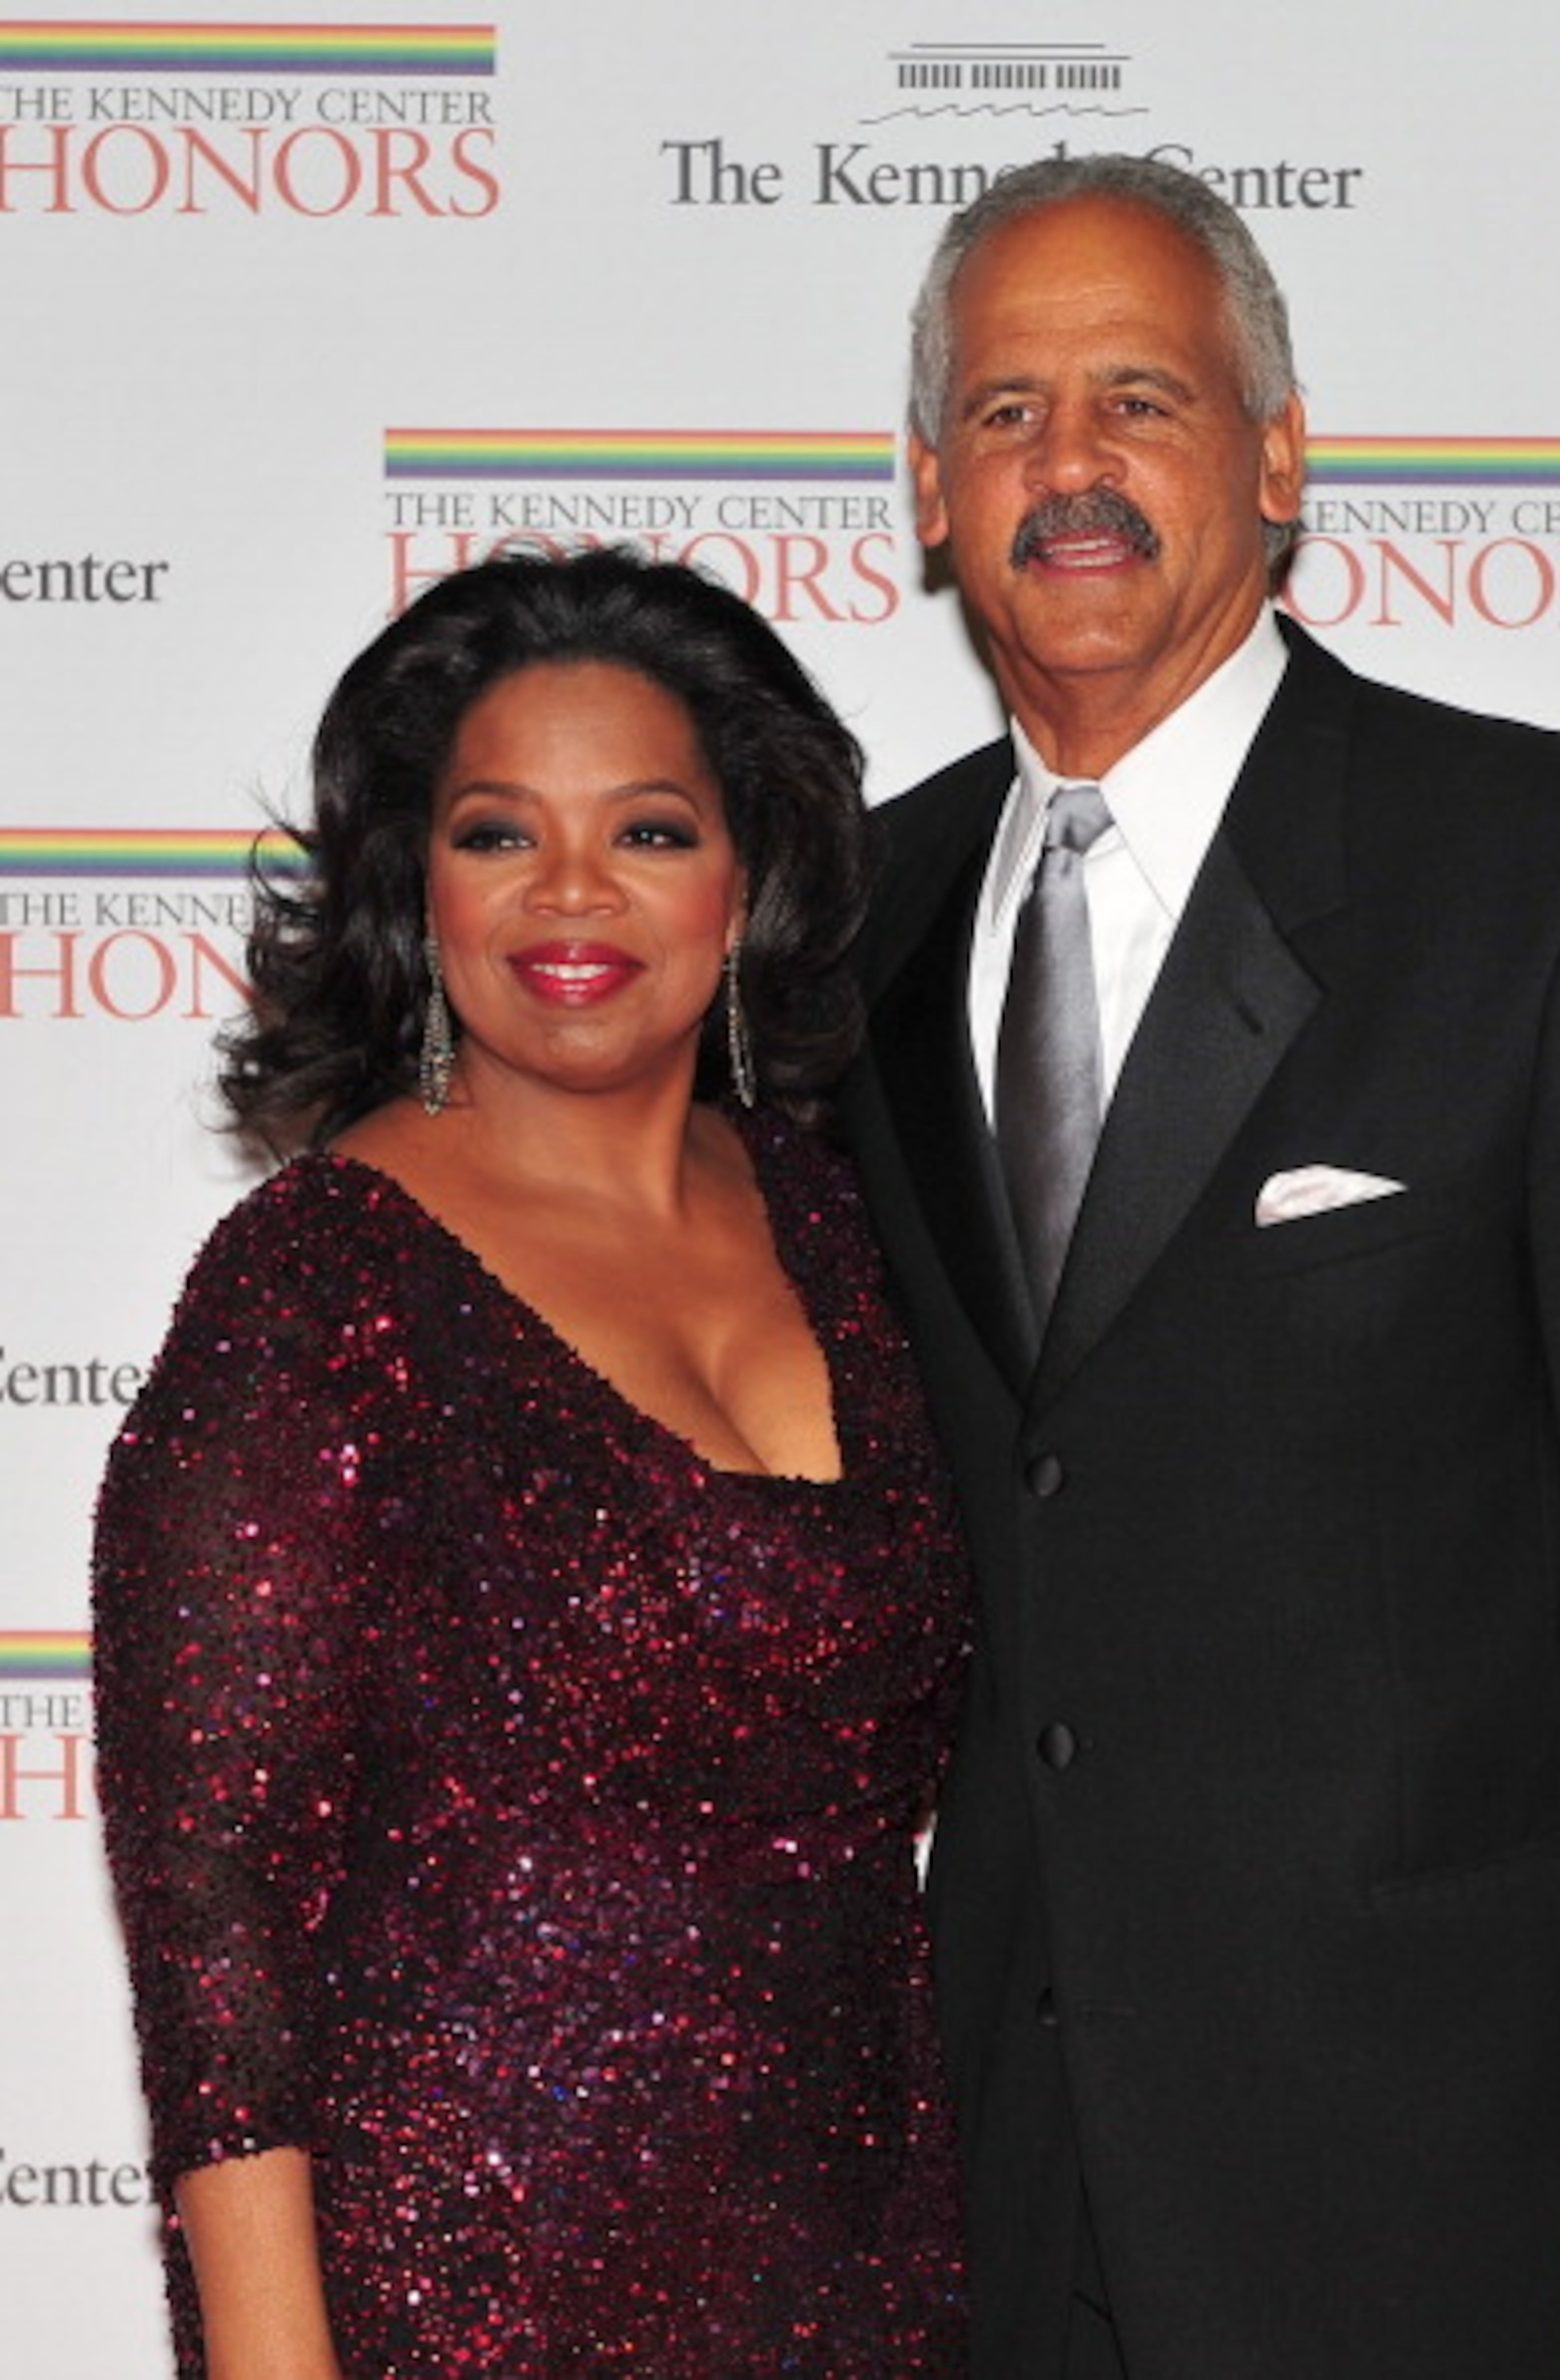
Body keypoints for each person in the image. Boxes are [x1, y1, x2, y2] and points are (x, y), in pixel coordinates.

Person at [839, 151, 1560, 2380]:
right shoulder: (852, 925)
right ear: (926, 487)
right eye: (1005, 411)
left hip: (1456, 2195)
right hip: (995, 2201)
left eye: (1141, 398)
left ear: (1280, 453)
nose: (1070, 465)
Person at [93, 549, 971, 2378]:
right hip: (468, 2296)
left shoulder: (840, 1225)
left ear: (747, 878)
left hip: (873, 2276)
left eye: (649, 830)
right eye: (500, 833)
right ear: (418, 886)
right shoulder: (312, 1284)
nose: (573, 890)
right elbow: (214, 1932)